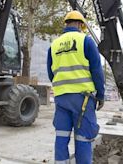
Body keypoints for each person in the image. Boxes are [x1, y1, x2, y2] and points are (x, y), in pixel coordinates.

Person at [47, 10, 105, 164]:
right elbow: (97, 71)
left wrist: (63, 86)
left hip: (61, 98)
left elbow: (51, 73)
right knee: (83, 138)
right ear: (81, 24)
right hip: (83, 99)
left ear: (66, 24)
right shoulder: (86, 41)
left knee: (61, 136)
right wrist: (101, 94)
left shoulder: (54, 45)